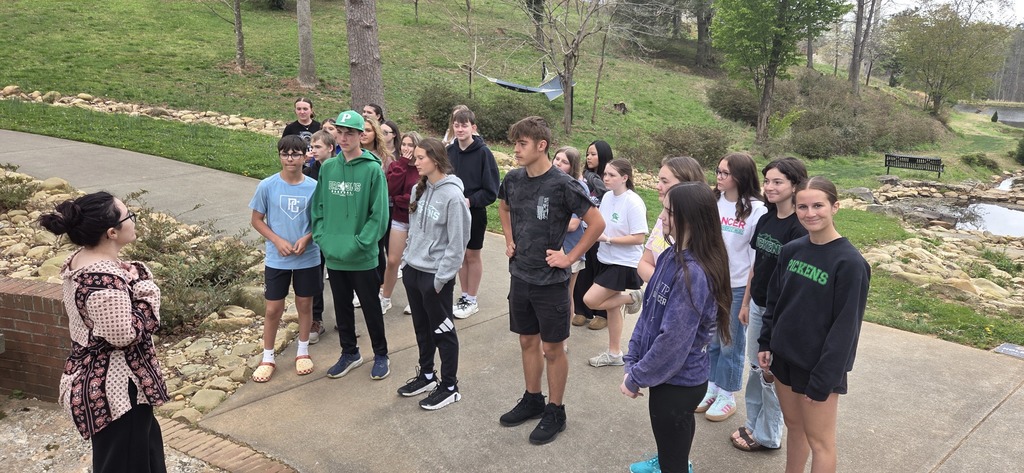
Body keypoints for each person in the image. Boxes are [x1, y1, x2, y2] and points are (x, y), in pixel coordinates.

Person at [39, 191, 170, 473]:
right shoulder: (103, 281)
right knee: (127, 463)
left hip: (106, 382)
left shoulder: (81, 260)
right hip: (118, 393)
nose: (134, 221)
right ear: (112, 232)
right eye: (129, 217)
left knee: (145, 455)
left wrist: (129, 278)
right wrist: (145, 287)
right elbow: (126, 334)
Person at [497, 116, 604, 445]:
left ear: (541, 145)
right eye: (514, 143)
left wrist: (570, 258)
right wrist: (508, 238)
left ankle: (555, 411)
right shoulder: (513, 179)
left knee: (552, 348)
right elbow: (503, 206)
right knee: (527, 341)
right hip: (520, 275)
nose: (515, 149)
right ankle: (533, 399)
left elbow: (596, 223)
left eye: (522, 143)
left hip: (551, 281)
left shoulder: (564, 184)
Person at [758, 176, 870, 473]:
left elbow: (846, 328)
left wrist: (824, 378)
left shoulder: (849, 263)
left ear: (835, 206)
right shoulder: (792, 250)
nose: (810, 213)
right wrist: (766, 341)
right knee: (794, 427)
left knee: (821, 442)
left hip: (817, 367)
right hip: (784, 358)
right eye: (803, 207)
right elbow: (775, 300)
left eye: (818, 205)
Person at [621, 183, 732, 473]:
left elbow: (673, 340)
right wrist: (632, 358)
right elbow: (648, 316)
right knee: (675, 446)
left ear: (690, 219)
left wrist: (636, 377)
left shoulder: (693, 273)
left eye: (669, 212)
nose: (661, 218)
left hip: (678, 383)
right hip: (667, 379)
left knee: (672, 461)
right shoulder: (670, 256)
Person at [731, 157, 808, 452]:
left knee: (771, 373)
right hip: (759, 306)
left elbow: (794, 281)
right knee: (755, 368)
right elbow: (756, 265)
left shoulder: (798, 228)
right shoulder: (765, 218)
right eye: (768, 181)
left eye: (778, 182)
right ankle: (754, 423)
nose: (770, 187)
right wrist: (747, 301)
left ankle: (768, 434)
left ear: (794, 185)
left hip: (780, 313)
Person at [311, 110, 392, 381]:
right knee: (342, 307)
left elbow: (378, 215)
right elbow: (319, 207)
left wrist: (360, 243)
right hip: (334, 254)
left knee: (370, 307)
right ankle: (349, 352)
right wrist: (322, 237)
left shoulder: (372, 169)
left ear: (361, 136)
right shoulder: (328, 168)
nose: (344, 138)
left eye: (350, 133)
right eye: (340, 132)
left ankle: (381, 354)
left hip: (362, 255)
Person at [397, 137, 472, 410]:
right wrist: (406, 261)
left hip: (435, 278)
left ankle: (450, 386)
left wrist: (441, 279)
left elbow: (458, 242)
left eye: (420, 158)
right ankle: (427, 375)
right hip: (413, 271)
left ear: (436, 160)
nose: (414, 162)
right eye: (414, 157)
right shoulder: (420, 189)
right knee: (422, 329)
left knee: (443, 331)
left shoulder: (452, 196)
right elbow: (414, 231)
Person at [698, 152, 767, 422]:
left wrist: (747, 300)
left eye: (725, 173)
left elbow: (754, 260)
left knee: (731, 343)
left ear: (740, 176)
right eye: (718, 171)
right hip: (712, 282)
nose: (719, 176)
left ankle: (727, 393)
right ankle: (712, 386)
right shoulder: (714, 202)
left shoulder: (756, 209)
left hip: (738, 286)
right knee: (711, 339)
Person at [249, 135, 321, 382]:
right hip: (277, 259)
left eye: (295, 154)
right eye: (285, 153)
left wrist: (308, 238)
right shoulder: (267, 186)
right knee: (272, 309)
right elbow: (257, 220)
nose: (290, 158)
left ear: (305, 156)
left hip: (307, 257)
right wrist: (277, 240)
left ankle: (302, 351)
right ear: (280, 156)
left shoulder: (313, 187)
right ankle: (267, 356)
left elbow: (320, 221)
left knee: (304, 304)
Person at [584, 158, 648, 368]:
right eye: (605, 174)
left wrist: (609, 239)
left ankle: (632, 298)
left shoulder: (634, 202)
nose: (606, 178)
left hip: (624, 262)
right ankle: (614, 353)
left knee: (591, 301)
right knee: (612, 309)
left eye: (612, 175)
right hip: (606, 258)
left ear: (625, 178)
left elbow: (639, 238)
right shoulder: (608, 197)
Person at [447, 108, 499, 319]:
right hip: (453, 213)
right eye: (457, 125)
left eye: (464, 125)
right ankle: (463, 296)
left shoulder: (483, 153)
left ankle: (472, 299)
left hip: (474, 212)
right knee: (459, 256)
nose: (460, 129)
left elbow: (491, 190)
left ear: (473, 128)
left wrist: (470, 201)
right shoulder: (450, 151)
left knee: (472, 254)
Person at [637, 156, 705, 283]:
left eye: (664, 181)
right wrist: (663, 285)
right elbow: (644, 263)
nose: (658, 186)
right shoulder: (663, 218)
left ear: (685, 184)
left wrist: (665, 286)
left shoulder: (700, 228)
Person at [572, 139, 613, 328]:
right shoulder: (583, 179)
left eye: (593, 154)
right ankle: (581, 311)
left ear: (603, 155)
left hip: (603, 234)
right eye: (587, 153)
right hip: (584, 232)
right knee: (582, 272)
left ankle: (602, 314)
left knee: (600, 272)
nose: (589, 157)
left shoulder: (611, 178)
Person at [302, 130, 337, 345]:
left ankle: (344, 319)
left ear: (330, 148)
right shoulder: (308, 172)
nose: (313, 151)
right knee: (316, 276)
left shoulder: (340, 170)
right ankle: (316, 319)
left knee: (340, 277)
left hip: (337, 232)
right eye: (311, 147)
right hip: (316, 232)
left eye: (318, 147)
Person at [382, 131, 422, 315]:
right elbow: (390, 189)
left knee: (414, 263)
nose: (406, 148)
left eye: (410, 145)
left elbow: (419, 195)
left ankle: (415, 300)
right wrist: (403, 164)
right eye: (404, 144)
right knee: (392, 260)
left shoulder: (423, 167)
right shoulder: (398, 165)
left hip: (417, 220)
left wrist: (402, 199)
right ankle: (385, 298)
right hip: (399, 218)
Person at [552, 146, 588, 318]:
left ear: (573, 167)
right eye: (557, 159)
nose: (558, 163)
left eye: (564, 162)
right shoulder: (549, 182)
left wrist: (545, 222)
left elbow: (573, 224)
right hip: (552, 248)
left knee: (565, 295)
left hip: (572, 249)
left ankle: (563, 342)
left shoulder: (578, 187)